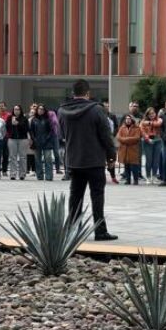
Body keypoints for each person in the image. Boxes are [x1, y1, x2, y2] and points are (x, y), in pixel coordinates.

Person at [60, 79, 118, 241]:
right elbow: (106, 136)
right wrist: (111, 156)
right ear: (88, 93)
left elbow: (62, 135)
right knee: (97, 197)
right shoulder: (97, 110)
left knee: (75, 196)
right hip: (94, 161)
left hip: (74, 160)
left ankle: (73, 230)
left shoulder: (62, 111)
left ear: (73, 93)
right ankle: (100, 231)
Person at [116, 114, 143, 185]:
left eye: (129, 119)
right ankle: (128, 180)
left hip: (133, 149)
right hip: (124, 150)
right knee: (126, 165)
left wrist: (125, 140)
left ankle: (135, 180)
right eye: (126, 119)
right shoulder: (122, 128)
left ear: (132, 120)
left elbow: (137, 138)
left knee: (134, 166)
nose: (128, 120)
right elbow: (118, 137)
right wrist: (127, 140)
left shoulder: (137, 128)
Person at [5, 105, 30, 180]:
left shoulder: (24, 118)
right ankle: (13, 174)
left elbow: (26, 129)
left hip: (23, 139)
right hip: (12, 139)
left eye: (18, 109)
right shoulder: (9, 118)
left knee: (23, 157)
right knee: (13, 157)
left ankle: (22, 174)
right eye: (15, 109)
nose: (16, 111)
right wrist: (12, 124)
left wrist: (18, 124)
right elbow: (7, 129)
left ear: (20, 110)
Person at [140, 107, 163, 185]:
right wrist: (147, 139)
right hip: (147, 141)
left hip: (157, 140)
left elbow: (159, 124)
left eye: (153, 113)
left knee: (156, 160)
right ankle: (148, 176)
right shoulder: (143, 121)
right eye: (150, 114)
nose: (152, 115)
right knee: (149, 160)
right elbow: (142, 131)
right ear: (147, 114)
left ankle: (154, 176)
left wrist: (149, 123)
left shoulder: (159, 119)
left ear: (155, 113)